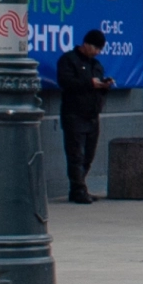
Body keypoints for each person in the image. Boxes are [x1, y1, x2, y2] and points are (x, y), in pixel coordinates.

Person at [53, 28, 112, 203]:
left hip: (92, 114)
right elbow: (65, 82)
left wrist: (104, 86)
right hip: (74, 113)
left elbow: (97, 88)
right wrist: (89, 83)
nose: (97, 52)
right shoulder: (69, 60)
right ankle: (78, 189)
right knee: (75, 154)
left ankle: (79, 186)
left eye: (100, 49)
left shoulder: (96, 65)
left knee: (89, 155)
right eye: (95, 48)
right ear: (86, 44)